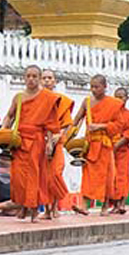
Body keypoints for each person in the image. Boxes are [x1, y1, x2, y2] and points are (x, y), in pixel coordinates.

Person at [2, 65, 59, 223]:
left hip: (36, 140)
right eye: (28, 76)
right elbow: (9, 116)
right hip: (19, 141)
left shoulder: (47, 97)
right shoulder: (19, 97)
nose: (31, 79)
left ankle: (34, 209)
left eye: (35, 76)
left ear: (40, 78)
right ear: (24, 78)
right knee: (18, 177)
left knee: (34, 175)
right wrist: (3, 131)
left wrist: (49, 143)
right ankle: (24, 206)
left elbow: (50, 122)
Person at [72, 75, 123, 217]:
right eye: (92, 87)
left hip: (104, 145)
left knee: (106, 176)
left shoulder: (113, 104)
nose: (93, 90)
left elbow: (118, 126)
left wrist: (100, 126)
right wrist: (67, 135)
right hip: (89, 146)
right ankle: (84, 205)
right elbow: (77, 120)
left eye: (97, 87)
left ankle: (105, 206)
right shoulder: (87, 102)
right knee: (87, 176)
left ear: (105, 87)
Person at [42, 70, 73, 219]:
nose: (47, 81)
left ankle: (54, 208)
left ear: (54, 81)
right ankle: (47, 210)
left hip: (57, 143)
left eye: (50, 78)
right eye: (44, 78)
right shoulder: (36, 100)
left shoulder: (62, 100)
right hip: (40, 142)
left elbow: (67, 123)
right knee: (43, 177)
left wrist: (59, 134)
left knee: (55, 174)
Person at [110, 87, 129, 215]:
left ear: (127, 98)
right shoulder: (109, 114)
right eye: (117, 97)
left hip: (122, 151)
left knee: (122, 177)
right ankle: (114, 204)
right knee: (111, 177)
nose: (119, 100)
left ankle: (121, 203)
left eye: (122, 97)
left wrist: (116, 146)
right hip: (108, 149)